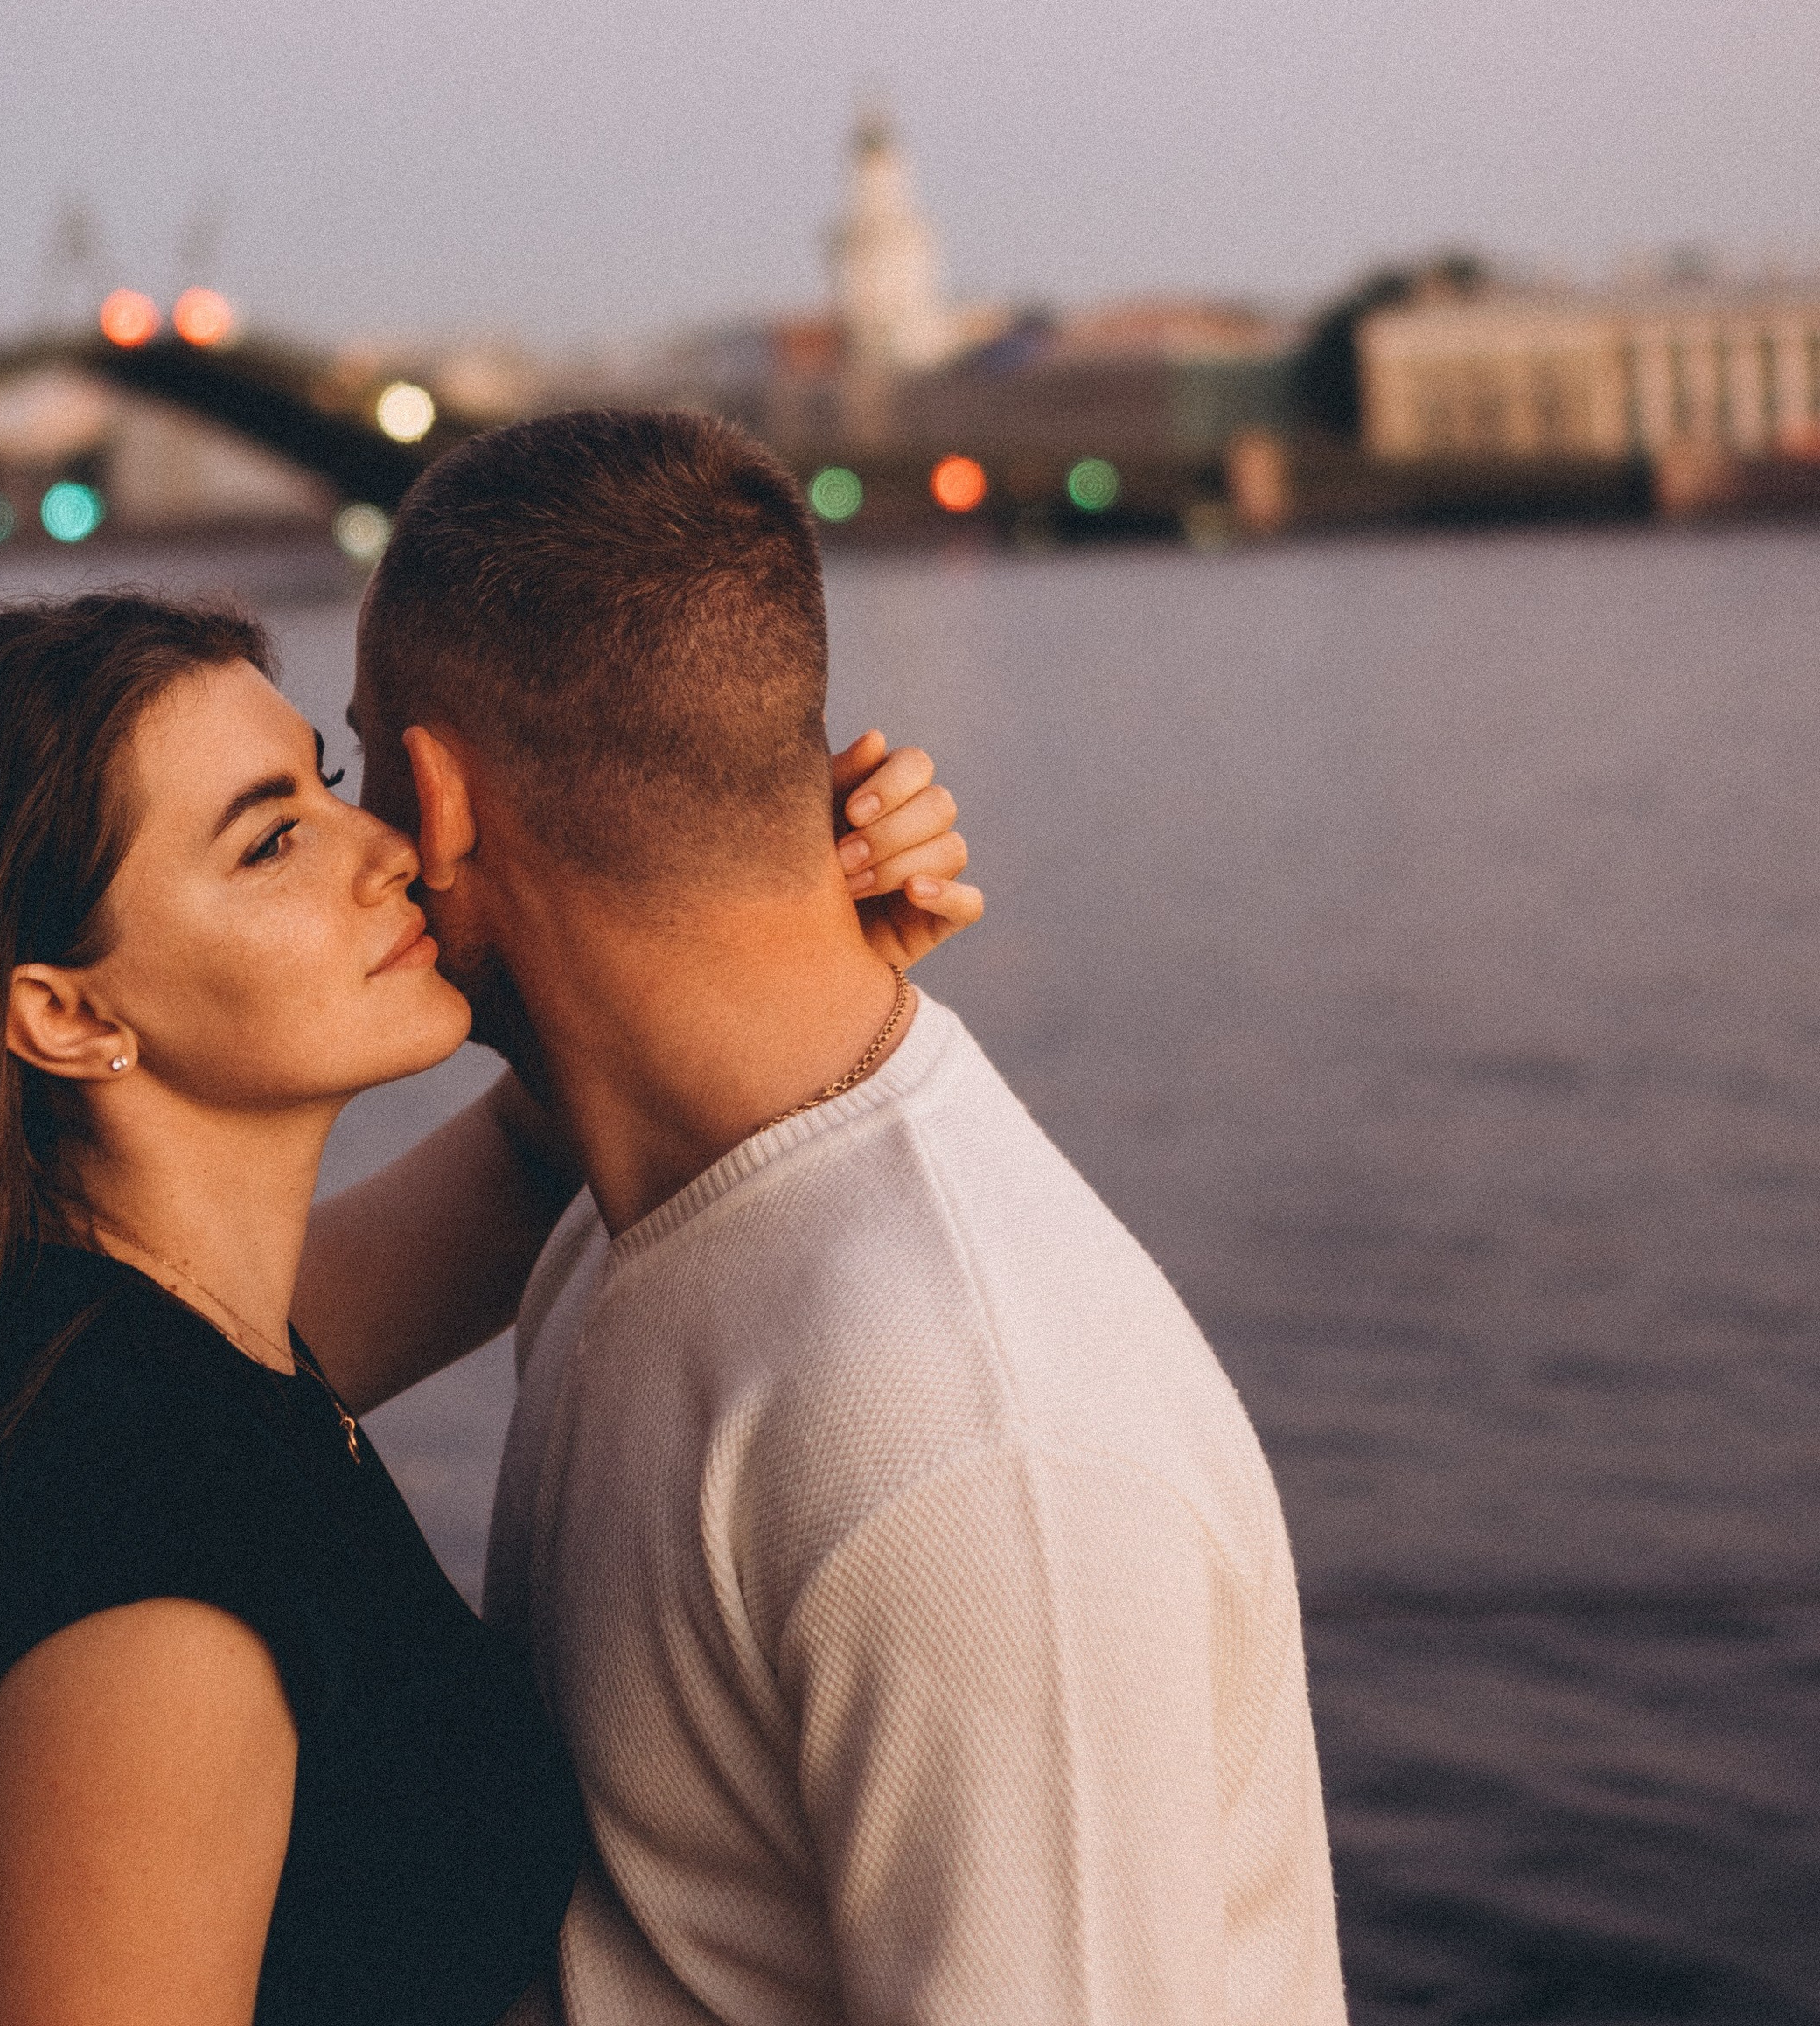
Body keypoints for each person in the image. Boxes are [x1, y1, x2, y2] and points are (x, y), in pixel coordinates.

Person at [0, 588, 971, 2026]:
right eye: (273, 837)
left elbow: (542, 1144)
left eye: (326, 788)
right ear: (70, 1016)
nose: (391, 846)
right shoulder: (157, 1602)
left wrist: (765, 924)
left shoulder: (123, 1349)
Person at [348, 407, 1348, 2026]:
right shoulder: (625, 1220)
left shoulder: (972, 1443)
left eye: (359, 764)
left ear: (443, 802)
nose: (357, 843)